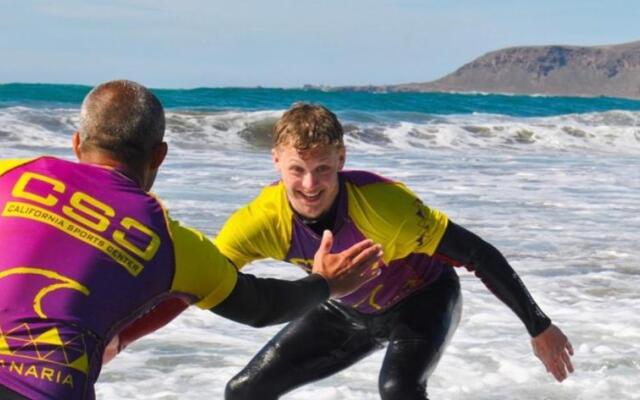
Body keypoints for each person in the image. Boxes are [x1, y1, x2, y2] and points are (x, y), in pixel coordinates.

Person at [0, 83, 383, 400]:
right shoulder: (174, 245)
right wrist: (325, 283)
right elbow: (261, 307)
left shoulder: (9, 174)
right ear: (160, 156)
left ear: (77, 142)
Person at [214, 103, 575, 400]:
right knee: (244, 391)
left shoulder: (385, 206)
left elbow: (477, 254)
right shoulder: (260, 220)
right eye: (297, 170)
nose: (309, 185)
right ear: (276, 160)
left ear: (341, 158)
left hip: (423, 300)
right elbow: (206, 278)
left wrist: (538, 325)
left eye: (322, 169)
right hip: (343, 311)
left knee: (398, 389)